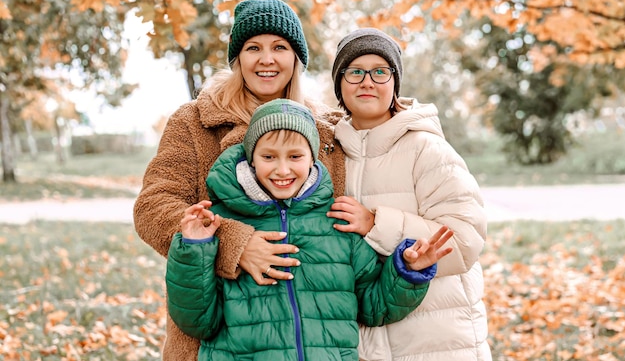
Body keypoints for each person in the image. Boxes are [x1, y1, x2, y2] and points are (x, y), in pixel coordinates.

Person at [133, 0, 347, 361]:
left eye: (279, 47)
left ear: (296, 58)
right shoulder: (196, 122)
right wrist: (234, 243)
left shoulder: (327, 132)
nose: (266, 59)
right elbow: (153, 207)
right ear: (237, 60)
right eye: (253, 48)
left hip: (309, 333)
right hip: (216, 333)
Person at [165, 98, 454, 360]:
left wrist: (407, 273)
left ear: (312, 158)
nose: (282, 170)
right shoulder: (223, 225)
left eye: (295, 157)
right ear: (251, 159)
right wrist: (194, 251)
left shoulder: (337, 222)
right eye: (269, 157)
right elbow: (198, 321)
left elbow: (374, 306)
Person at [326, 28, 491, 360]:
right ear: (340, 84)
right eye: (355, 71)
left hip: (436, 339)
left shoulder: (425, 148)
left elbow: (464, 239)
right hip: (366, 342)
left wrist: (375, 223)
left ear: (394, 83)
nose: (367, 81)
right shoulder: (328, 152)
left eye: (380, 72)